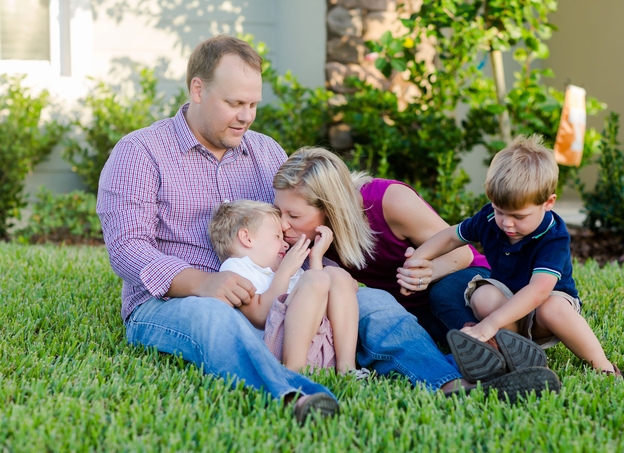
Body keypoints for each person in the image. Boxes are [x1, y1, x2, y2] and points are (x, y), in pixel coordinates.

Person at [97, 34, 557, 421]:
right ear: (197, 90)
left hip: (275, 290)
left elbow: (298, 218)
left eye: (253, 104)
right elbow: (126, 246)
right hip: (177, 301)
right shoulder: (141, 153)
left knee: (373, 301)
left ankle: (450, 383)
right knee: (212, 317)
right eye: (234, 103)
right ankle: (291, 394)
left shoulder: (263, 152)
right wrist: (203, 282)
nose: (246, 116)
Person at [408, 135, 622, 378]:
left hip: (545, 307)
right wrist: (419, 258)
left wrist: (490, 324)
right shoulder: (490, 219)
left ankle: (603, 366)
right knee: (483, 296)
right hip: (509, 306)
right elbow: (451, 237)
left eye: (519, 217)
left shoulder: (553, 236)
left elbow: (539, 291)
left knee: (551, 308)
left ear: (548, 202)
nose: (507, 223)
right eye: (500, 211)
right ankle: (514, 351)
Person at [272, 147, 490, 346]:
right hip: (413, 306)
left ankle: (491, 350)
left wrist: (427, 273)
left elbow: (462, 253)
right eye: (278, 211)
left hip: (468, 281)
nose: (282, 224)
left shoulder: (390, 201)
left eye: (294, 215)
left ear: (330, 208)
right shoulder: (310, 238)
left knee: (442, 294)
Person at [207, 199, 361, 374]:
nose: (286, 244)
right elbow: (260, 315)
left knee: (336, 275)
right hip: (277, 348)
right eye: (277, 236)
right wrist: (285, 272)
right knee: (315, 279)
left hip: (317, 345)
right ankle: (293, 372)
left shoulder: (284, 271)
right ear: (247, 238)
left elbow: (319, 296)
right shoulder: (236, 267)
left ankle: (347, 368)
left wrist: (316, 258)